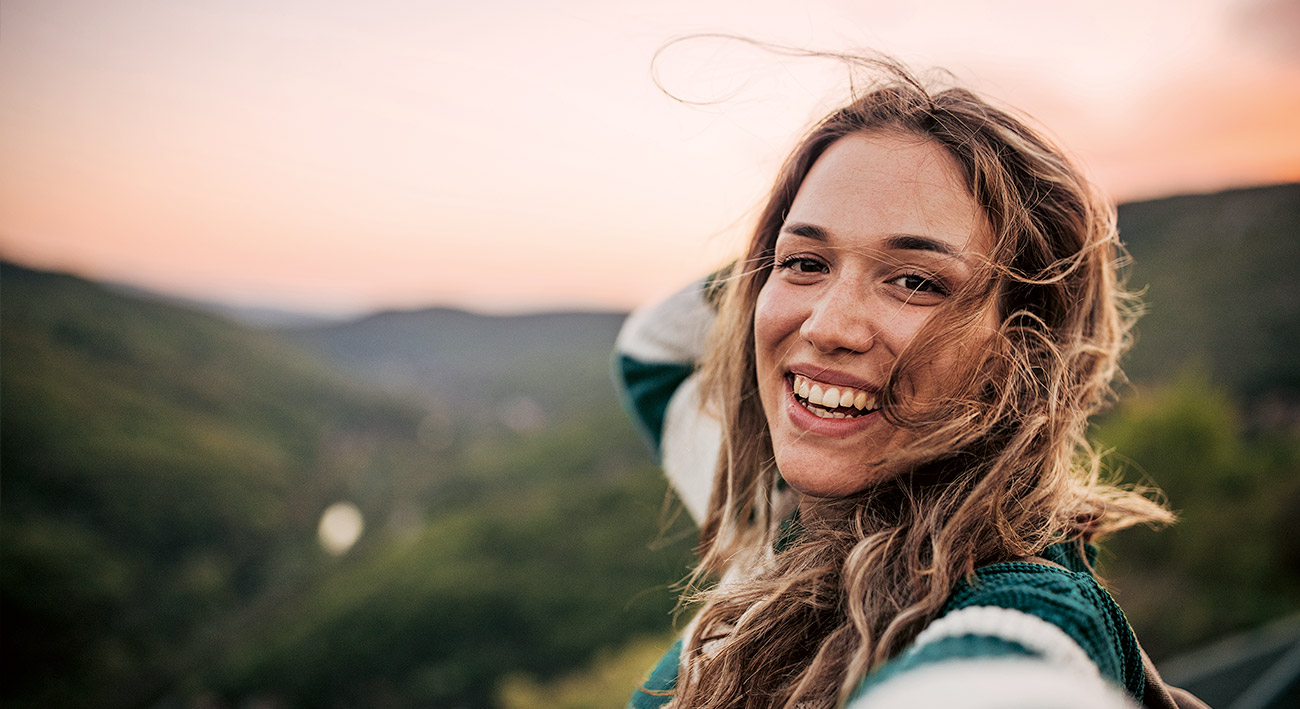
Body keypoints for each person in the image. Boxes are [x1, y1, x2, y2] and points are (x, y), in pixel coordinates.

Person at [614, 57, 1190, 708]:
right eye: (803, 261)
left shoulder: (1025, 600)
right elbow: (651, 351)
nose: (829, 325)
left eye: (916, 280)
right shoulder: (768, 506)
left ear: (1023, 349)